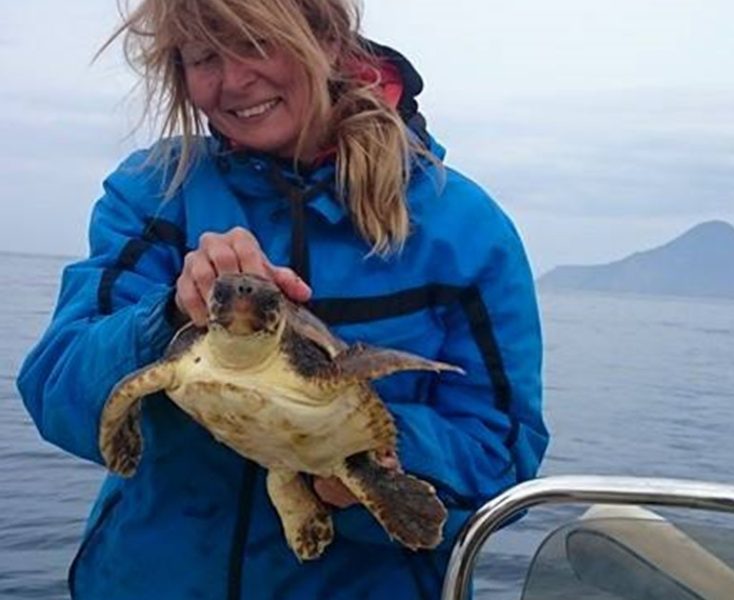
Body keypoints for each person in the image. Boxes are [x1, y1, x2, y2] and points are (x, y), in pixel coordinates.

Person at [17, 0, 548, 598]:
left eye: (255, 43)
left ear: (328, 39)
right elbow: (56, 390)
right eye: (204, 57)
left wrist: (366, 459)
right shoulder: (157, 190)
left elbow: (503, 458)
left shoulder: (463, 230)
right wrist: (167, 314)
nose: (233, 80)